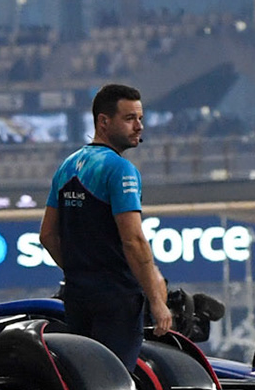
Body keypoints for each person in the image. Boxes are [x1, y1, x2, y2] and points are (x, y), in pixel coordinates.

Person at [38, 84, 172, 370]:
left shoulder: (68, 165)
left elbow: (47, 235)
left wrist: (80, 271)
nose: (139, 127)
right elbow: (134, 240)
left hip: (76, 297)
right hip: (117, 298)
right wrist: (157, 300)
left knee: (84, 381)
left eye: (140, 118)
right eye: (130, 119)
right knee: (113, 383)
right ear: (103, 121)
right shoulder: (119, 169)